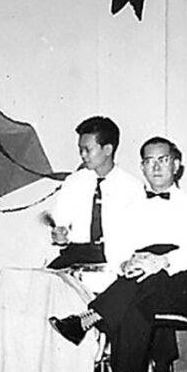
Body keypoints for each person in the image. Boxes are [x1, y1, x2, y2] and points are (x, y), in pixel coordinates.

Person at [49, 137, 187, 372]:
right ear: (142, 168)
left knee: (143, 283)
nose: (156, 167)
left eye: (162, 160)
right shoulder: (132, 209)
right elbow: (116, 247)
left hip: (184, 287)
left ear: (176, 165)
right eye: (149, 161)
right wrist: (125, 263)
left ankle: (88, 319)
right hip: (141, 288)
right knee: (134, 306)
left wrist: (159, 261)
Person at [47, 116, 143, 270]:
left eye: (88, 150)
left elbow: (136, 234)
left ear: (107, 150)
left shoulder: (132, 187)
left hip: (114, 258)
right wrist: (60, 235)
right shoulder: (73, 182)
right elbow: (61, 223)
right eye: (80, 150)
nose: (82, 155)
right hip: (75, 255)